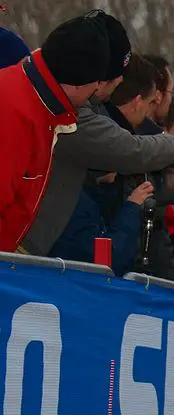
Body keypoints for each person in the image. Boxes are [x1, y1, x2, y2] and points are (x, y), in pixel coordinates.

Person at [20, 10, 174, 257]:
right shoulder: (67, 112)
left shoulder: (42, 89)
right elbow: (128, 151)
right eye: (110, 83)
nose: (102, 90)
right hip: (21, 247)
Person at [0, 13, 110, 252]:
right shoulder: (15, 112)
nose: (95, 94)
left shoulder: (39, 105)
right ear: (79, 82)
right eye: (96, 85)